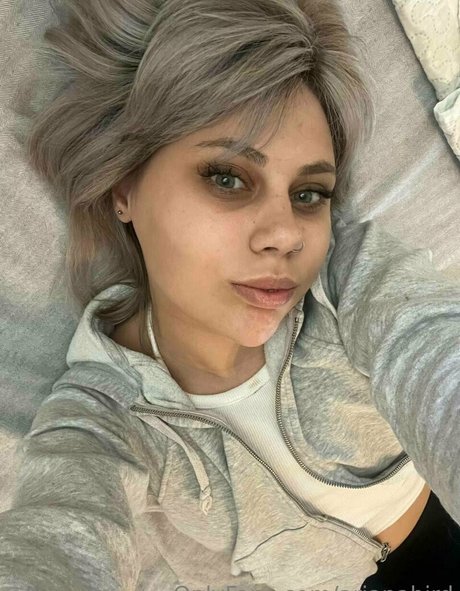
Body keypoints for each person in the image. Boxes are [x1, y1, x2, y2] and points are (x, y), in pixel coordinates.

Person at [0, 1, 459, 590]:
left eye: (309, 194)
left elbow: (432, 350)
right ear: (124, 188)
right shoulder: (101, 416)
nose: (287, 234)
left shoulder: (348, 277)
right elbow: (61, 539)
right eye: (227, 178)